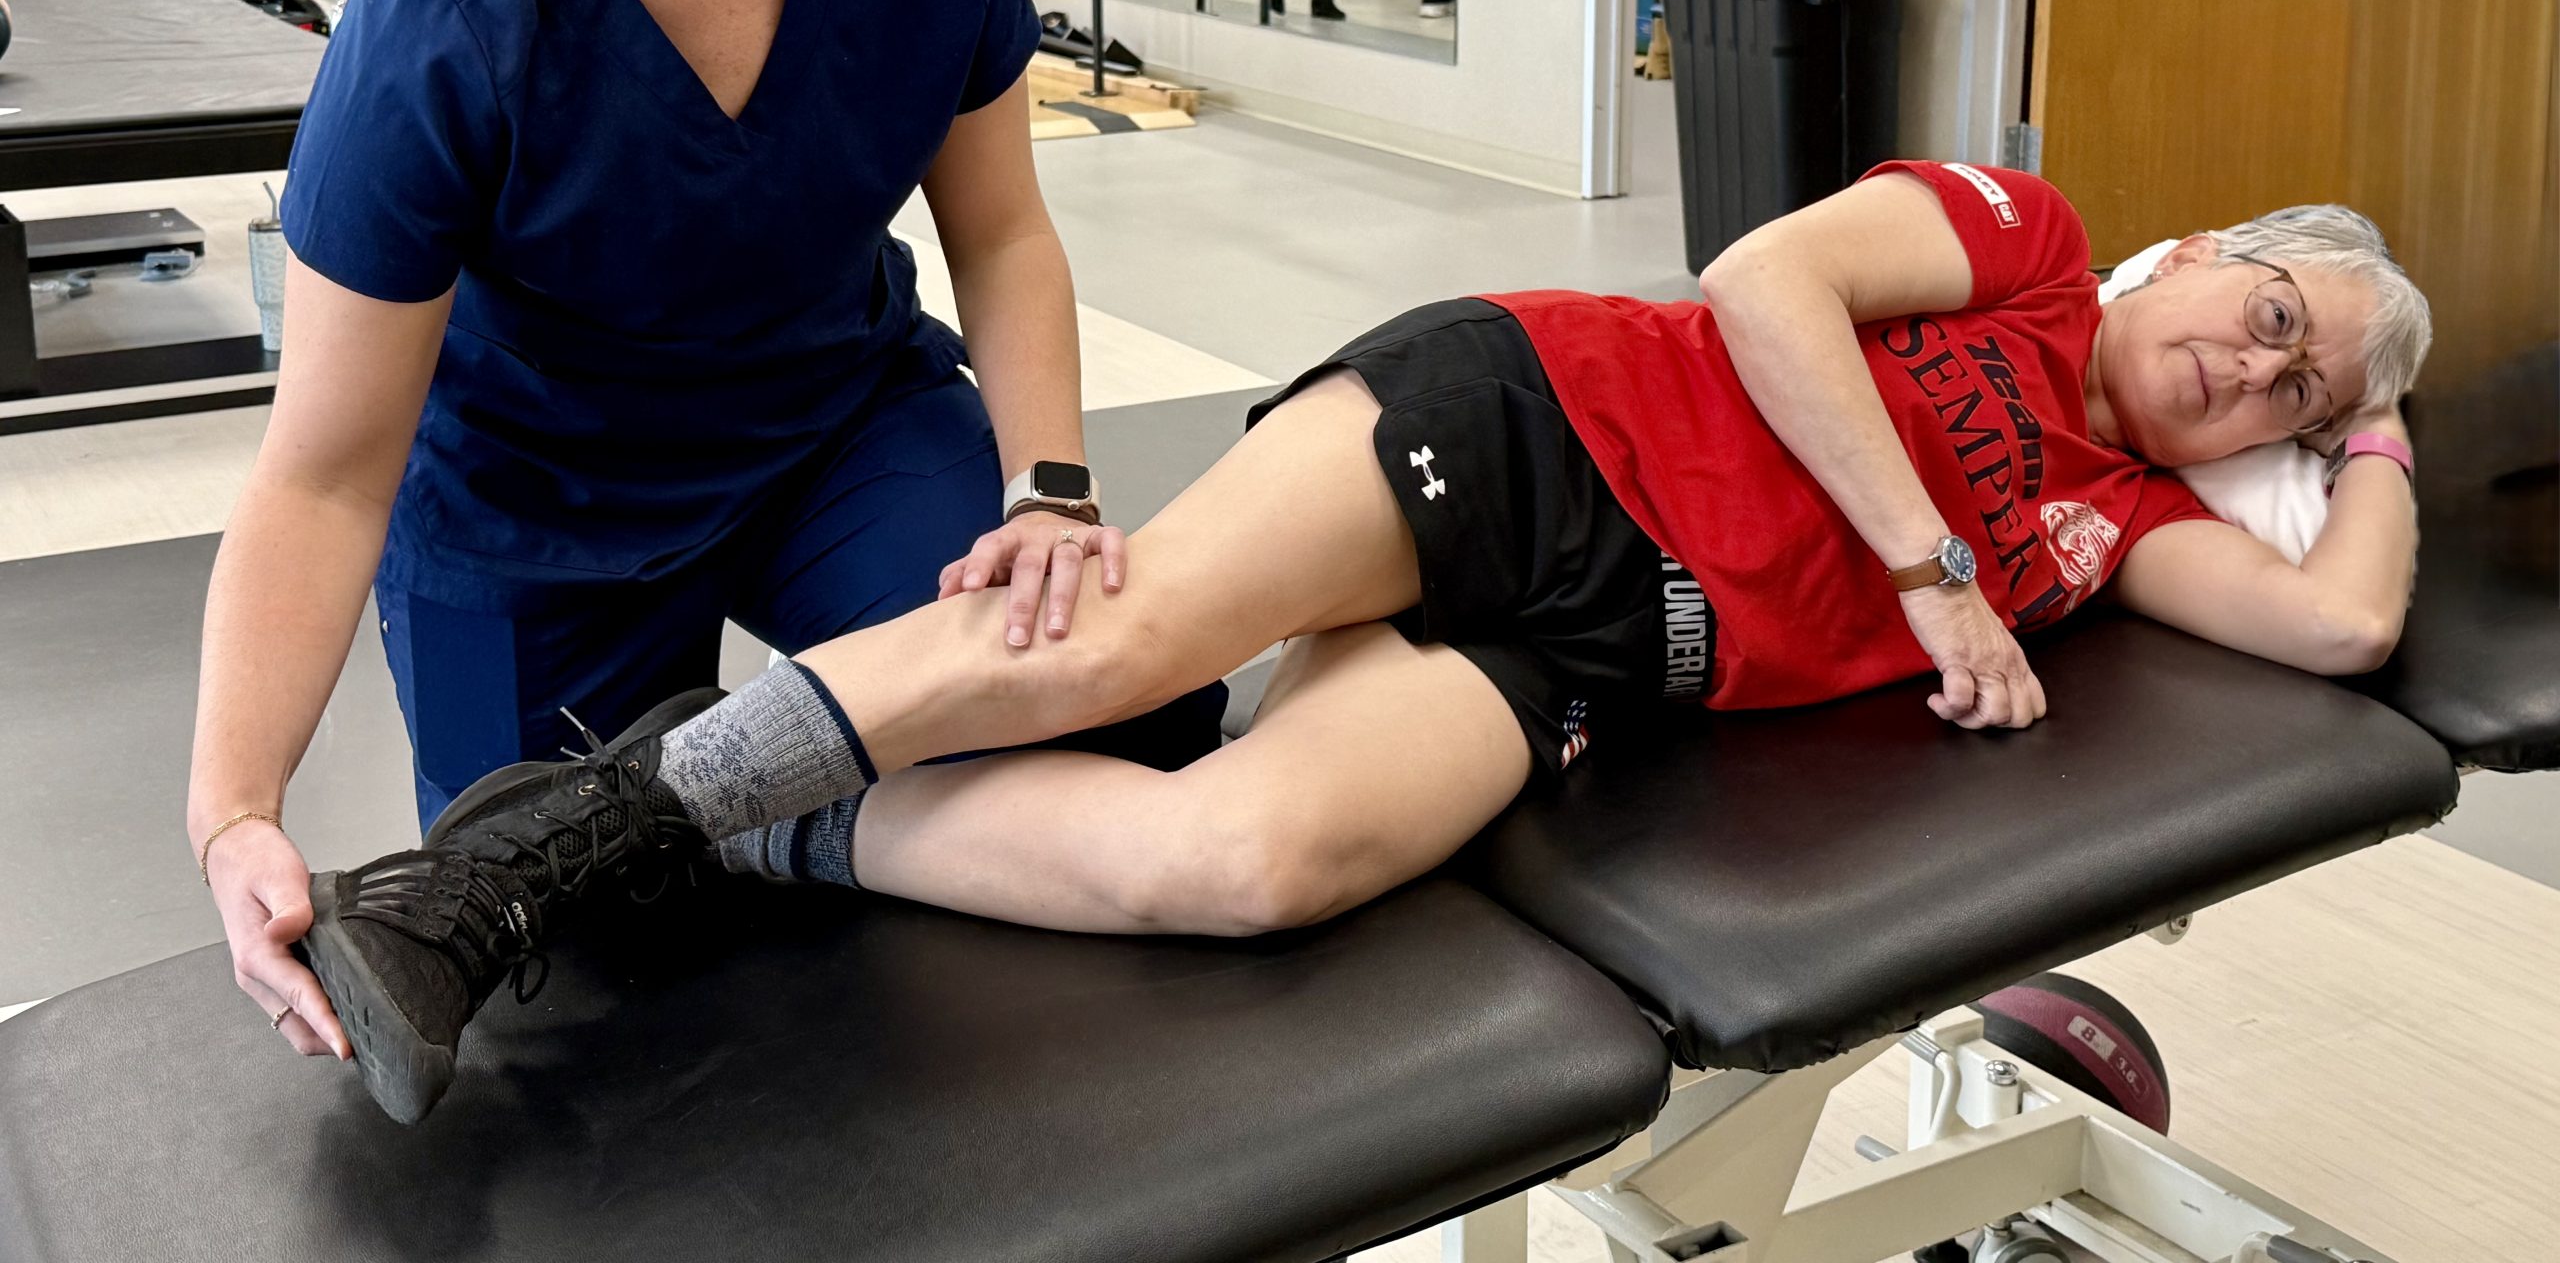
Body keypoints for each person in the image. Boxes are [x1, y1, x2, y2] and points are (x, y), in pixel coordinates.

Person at [276, 164, 2430, 1125]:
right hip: (1515, 423)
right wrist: (1926, 567)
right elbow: (1767, 278)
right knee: (1102, 660)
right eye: (2264, 322)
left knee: (1225, 861)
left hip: (1591, 660)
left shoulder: (2124, 522)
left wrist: (2386, 436)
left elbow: (2337, 631)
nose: (2255, 386)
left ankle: (720, 813)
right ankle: (512, 866)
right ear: (2205, 252)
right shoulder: (2024, 246)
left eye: (2299, 398)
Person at [190, 0, 1223, 1099]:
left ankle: (745, 794)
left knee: (1108, 711)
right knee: (573, 954)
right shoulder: (454, 4)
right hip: (541, 495)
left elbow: (1007, 235)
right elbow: (322, 471)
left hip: (830, 426)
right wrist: (236, 804)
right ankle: (717, 792)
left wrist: (1048, 494)